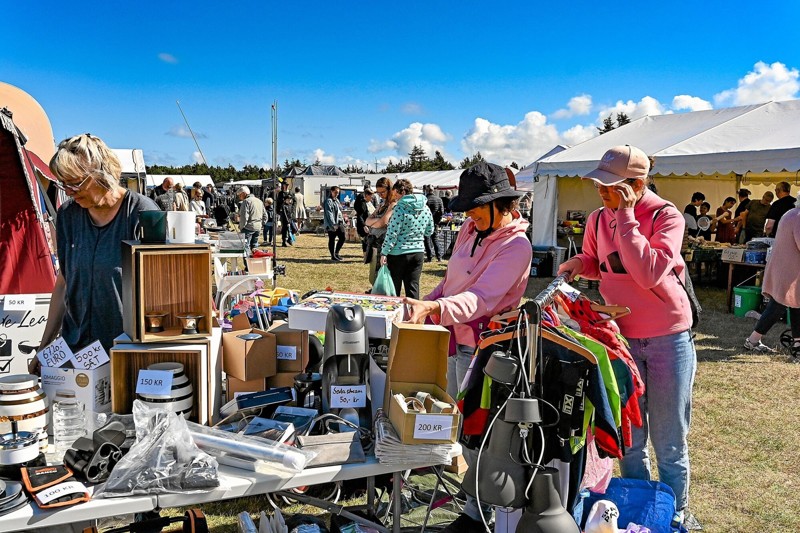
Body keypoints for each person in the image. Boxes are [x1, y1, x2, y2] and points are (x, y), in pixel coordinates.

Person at [557, 145, 700, 531]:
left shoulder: (666, 215)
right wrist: (576, 264)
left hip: (668, 336)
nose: (601, 194)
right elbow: (595, 260)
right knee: (630, 436)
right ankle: (639, 509)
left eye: (610, 187)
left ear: (636, 184)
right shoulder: (597, 218)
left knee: (670, 439)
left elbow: (648, 272)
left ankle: (675, 512)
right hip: (620, 337)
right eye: (600, 186)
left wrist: (625, 216)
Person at [404, 162, 531, 533]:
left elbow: (482, 299)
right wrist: (427, 303)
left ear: (501, 205)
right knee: (465, 427)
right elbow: (451, 282)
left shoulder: (516, 246)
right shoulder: (470, 228)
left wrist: (436, 309)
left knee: (486, 431)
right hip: (459, 342)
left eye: (476, 206)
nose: (469, 213)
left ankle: (482, 513)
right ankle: (472, 505)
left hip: (491, 350)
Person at [30, 133, 159, 365]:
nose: (69, 191)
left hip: (125, 352)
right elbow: (63, 282)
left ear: (103, 173)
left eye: (76, 183)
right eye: (63, 183)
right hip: (75, 349)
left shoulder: (142, 213)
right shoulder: (68, 216)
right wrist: (44, 345)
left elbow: (161, 291)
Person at [744, 203, 800, 357]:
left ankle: (797, 342)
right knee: (778, 305)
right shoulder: (797, 216)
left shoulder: (792, 213)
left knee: (796, 303)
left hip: (787, 267)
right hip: (787, 268)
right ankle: (752, 340)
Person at [379, 179, 433, 298]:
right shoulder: (426, 208)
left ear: (402, 192)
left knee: (394, 289)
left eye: (396, 194)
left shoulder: (399, 209)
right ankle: (415, 315)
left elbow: (392, 234)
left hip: (398, 254)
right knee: (413, 287)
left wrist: (384, 252)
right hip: (418, 252)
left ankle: (395, 315)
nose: (395, 197)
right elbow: (430, 230)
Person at [364, 178, 396, 283]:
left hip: (384, 244)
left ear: (390, 189)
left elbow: (383, 223)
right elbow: (367, 220)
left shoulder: (393, 204)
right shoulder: (382, 204)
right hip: (374, 243)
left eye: (383, 192)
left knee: (381, 274)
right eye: (378, 193)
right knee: (374, 273)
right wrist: (377, 221)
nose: (380, 195)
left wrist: (375, 221)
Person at [237, 186, 264, 251]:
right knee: (255, 248)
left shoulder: (246, 201)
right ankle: (255, 260)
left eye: (239, 195)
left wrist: (241, 227)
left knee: (246, 247)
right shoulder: (259, 201)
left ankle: (247, 261)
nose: (239, 197)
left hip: (248, 227)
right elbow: (265, 215)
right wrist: (261, 224)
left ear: (243, 193)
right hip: (258, 227)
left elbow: (244, 217)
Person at [323, 185, 346, 261]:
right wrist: (333, 224)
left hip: (339, 222)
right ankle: (333, 255)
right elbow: (329, 213)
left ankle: (336, 253)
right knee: (332, 239)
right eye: (335, 192)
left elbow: (340, 210)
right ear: (331, 192)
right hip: (332, 224)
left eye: (338, 193)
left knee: (342, 237)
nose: (337, 194)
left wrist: (344, 218)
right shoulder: (328, 201)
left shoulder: (336, 200)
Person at [424, 185, 444, 262]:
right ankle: (439, 256)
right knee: (435, 239)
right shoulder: (439, 199)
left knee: (427, 240)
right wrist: (437, 221)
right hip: (435, 222)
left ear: (427, 190)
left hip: (426, 222)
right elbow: (441, 212)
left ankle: (429, 257)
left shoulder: (425, 199)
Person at [354, 186, 375, 252]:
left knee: (367, 242)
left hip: (368, 224)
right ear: (366, 195)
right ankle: (365, 256)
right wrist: (364, 226)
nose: (371, 198)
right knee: (365, 242)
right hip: (363, 226)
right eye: (370, 196)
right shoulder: (362, 203)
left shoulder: (367, 203)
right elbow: (360, 215)